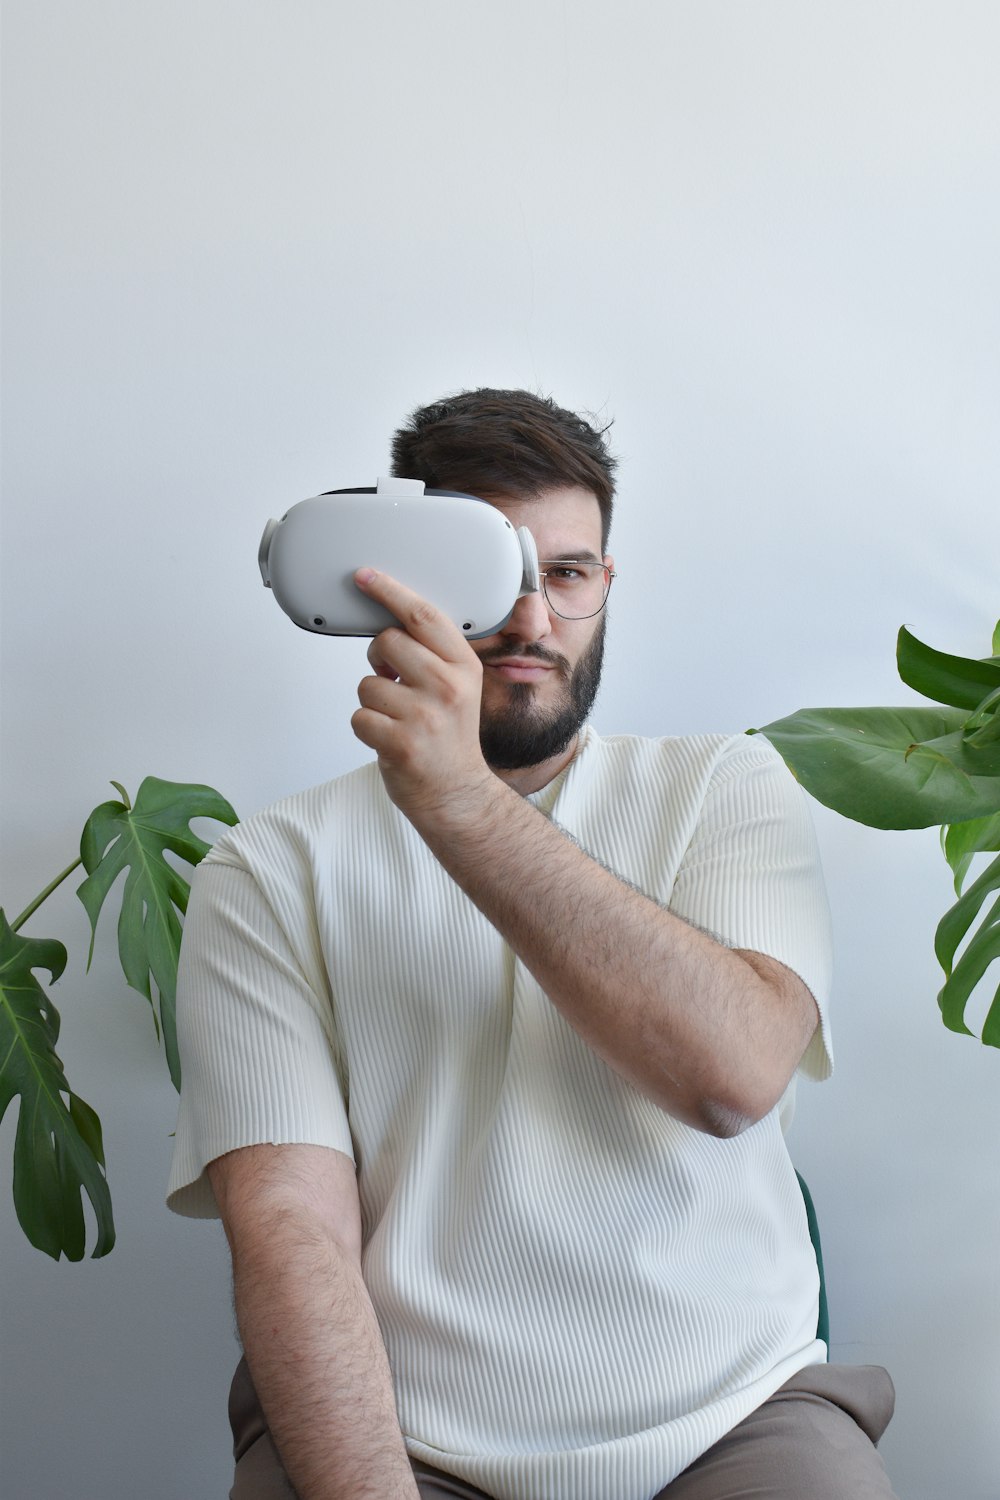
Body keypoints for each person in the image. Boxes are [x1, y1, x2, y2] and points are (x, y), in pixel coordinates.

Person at [167, 389, 897, 1500]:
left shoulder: (724, 788)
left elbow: (735, 1076)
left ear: (605, 584)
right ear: (387, 588)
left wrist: (461, 802)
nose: (529, 621)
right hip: (407, 1437)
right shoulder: (269, 871)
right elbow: (290, 1240)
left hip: (734, 1417)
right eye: (489, 575)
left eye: (565, 573)